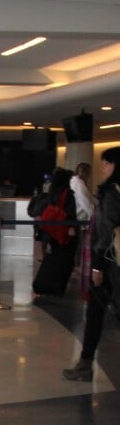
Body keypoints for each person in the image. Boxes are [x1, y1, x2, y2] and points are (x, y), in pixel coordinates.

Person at [63, 147, 120, 381]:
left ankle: (85, 365)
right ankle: (85, 363)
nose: (102, 167)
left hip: (110, 263)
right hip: (115, 261)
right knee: (97, 314)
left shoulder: (111, 193)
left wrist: (98, 266)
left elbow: (107, 233)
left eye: (106, 163)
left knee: (99, 313)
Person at [32, 168, 78, 296]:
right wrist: (71, 227)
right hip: (63, 232)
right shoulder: (67, 193)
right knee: (65, 260)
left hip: (49, 231)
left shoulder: (49, 192)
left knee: (51, 259)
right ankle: (58, 287)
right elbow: (70, 213)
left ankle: (46, 285)